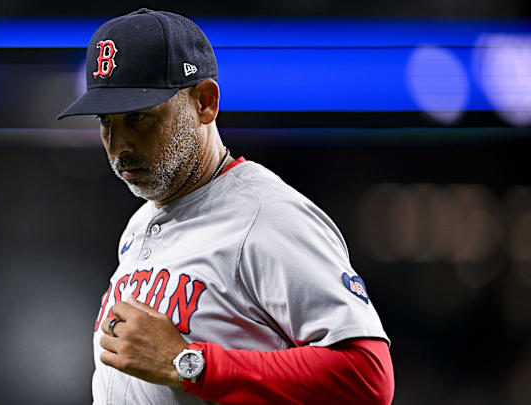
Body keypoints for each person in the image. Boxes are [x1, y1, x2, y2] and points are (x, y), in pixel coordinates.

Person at [58, 8, 394, 405]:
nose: (119, 146)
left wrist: (188, 364)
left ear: (205, 102)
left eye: (138, 118)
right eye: (106, 122)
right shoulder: (142, 221)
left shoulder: (267, 216)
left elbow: (367, 377)